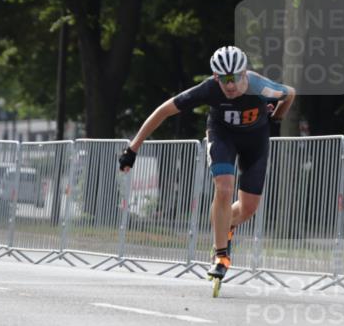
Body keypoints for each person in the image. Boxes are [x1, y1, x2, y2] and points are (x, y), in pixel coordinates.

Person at [119, 46, 295, 279]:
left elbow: (289, 94)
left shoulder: (260, 86)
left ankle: (226, 225)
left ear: (244, 73)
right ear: (215, 77)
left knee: (248, 208)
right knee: (223, 187)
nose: (230, 85)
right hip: (223, 136)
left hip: (255, 141)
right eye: (224, 80)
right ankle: (220, 254)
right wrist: (133, 148)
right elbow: (163, 111)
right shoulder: (209, 89)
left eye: (234, 78)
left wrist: (277, 118)